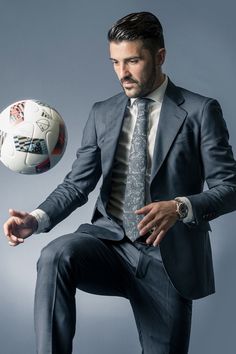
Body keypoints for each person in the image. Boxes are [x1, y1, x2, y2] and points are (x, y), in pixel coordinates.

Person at [3, 11, 236, 354]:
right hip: (109, 244)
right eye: (115, 62)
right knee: (54, 256)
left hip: (167, 260)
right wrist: (35, 220)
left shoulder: (200, 112)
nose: (122, 73)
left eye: (133, 61)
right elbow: (76, 184)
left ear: (160, 56)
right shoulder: (103, 113)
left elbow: (230, 188)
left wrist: (180, 207)